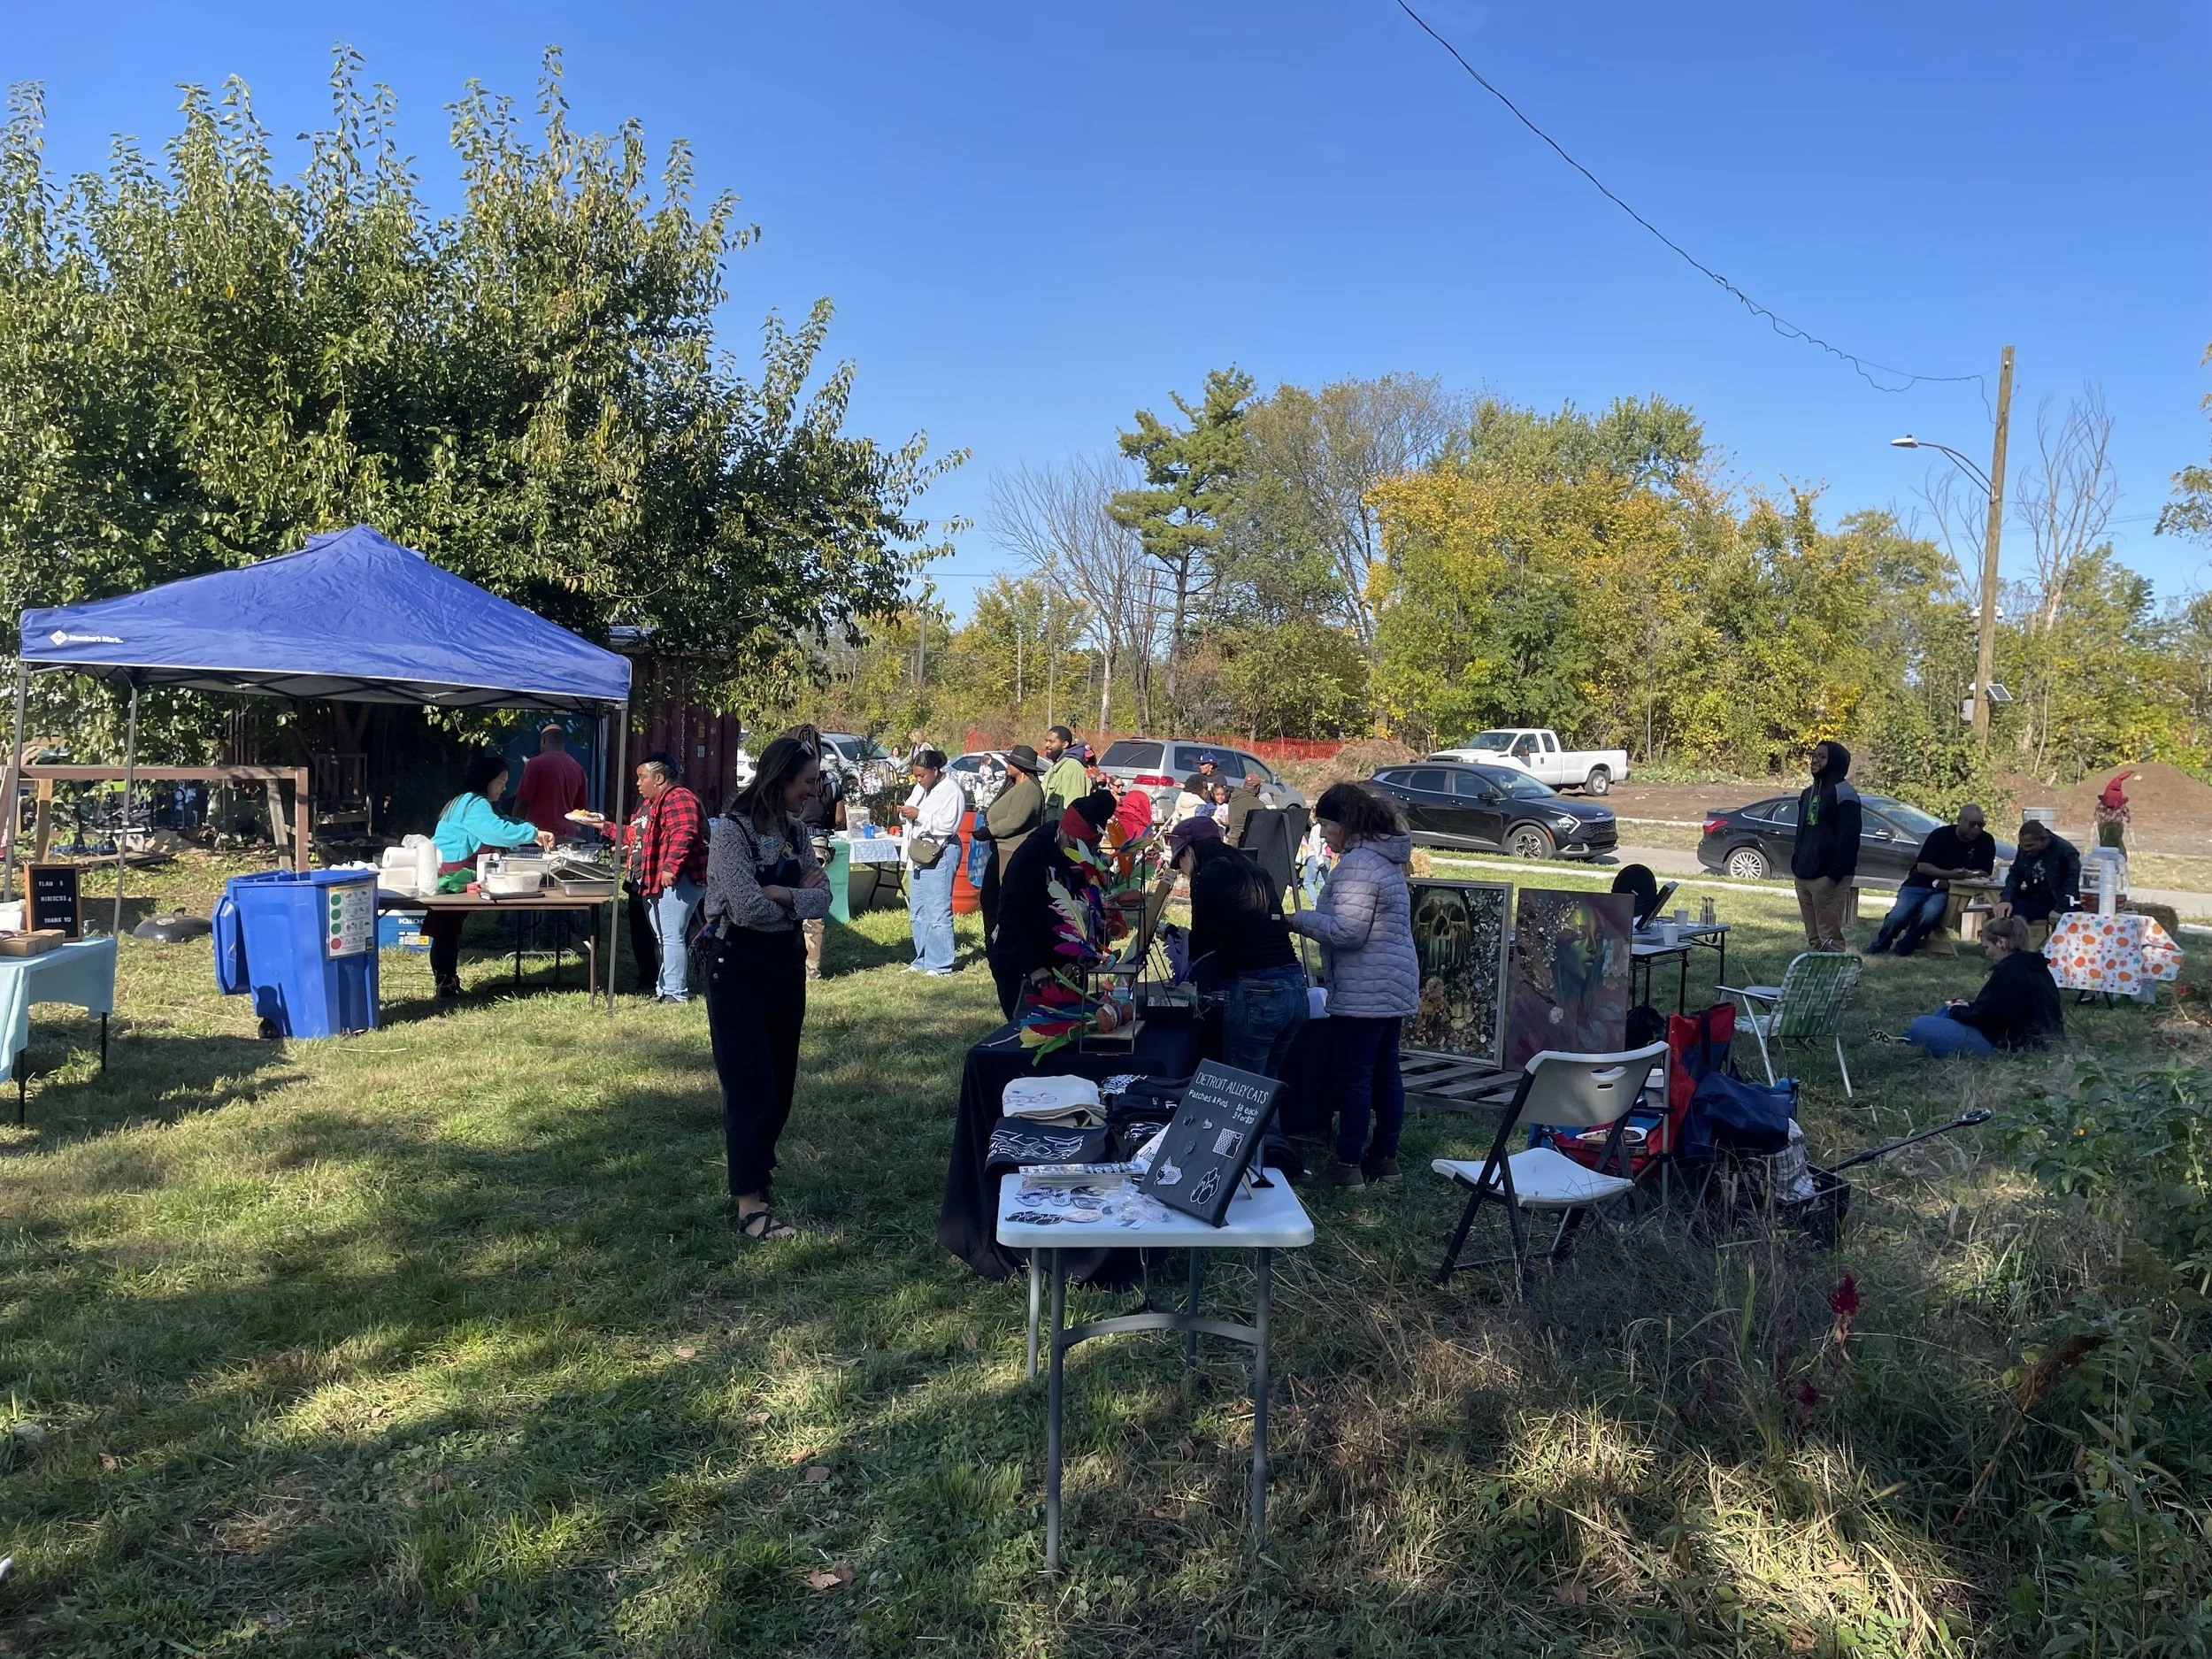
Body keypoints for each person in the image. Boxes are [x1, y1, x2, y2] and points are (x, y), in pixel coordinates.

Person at [701, 734, 833, 1240]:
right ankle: (749, 1203)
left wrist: (780, 894)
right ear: (779, 781)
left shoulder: (797, 834)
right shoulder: (731, 832)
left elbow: (823, 902)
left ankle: (759, 1168)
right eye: (806, 781)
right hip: (737, 969)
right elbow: (746, 907)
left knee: (780, 1087)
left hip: (783, 966)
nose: (813, 790)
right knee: (750, 1087)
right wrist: (788, 896)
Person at [1287, 782, 1418, 1189]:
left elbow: (1348, 932)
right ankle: (1384, 1159)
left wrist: (1299, 920)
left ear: (1345, 823)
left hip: (1366, 987)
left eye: (1327, 825)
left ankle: (1347, 1167)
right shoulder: (1385, 858)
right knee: (1385, 1073)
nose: (1324, 835)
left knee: (1356, 1077)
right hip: (1391, 983)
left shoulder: (1360, 864)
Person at [1168, 815, 1308, 1078]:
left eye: (1180, 863)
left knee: (1242, 1089)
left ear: (1190, 850)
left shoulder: (1207, 876)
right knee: (1266, 1089)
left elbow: (1203, 943)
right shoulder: (1253, 869)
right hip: (1294, 986)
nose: (1182, 871)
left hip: (1257, 991)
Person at [424, 752, 554, 999]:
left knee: (448, 929)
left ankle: (447, 981)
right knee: (446, 929)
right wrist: (531, 833)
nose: (503, 788)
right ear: (486, 780)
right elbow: (494, 831)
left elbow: (502, 820)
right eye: (501, 782)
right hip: (451, 870)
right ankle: (446, 983)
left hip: (451, 867)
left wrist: (532, 830)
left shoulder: (466, 801)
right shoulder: (474, 804)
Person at [988, 791, 1117, 1019]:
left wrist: (1080, 952)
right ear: (1064, 832)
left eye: (1086, 849)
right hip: (1021, 961)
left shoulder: (1082, 859)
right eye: (1076, 846)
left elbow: (1079, 908)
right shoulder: (1031, 854)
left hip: (1062, 961)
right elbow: (1010, 913)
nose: (1079, 854)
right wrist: (1033, 966)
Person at [1902, 915, 2062, 1057]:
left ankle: (1913, 1036)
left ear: (2001, 943)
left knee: (1921, 1024)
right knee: (1948, 1007)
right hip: (2032, 1035)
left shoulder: (2010, 970)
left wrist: (1961, 1010)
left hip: (2007, 1043)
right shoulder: (2035, 966)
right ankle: (1908, 1037)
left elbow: (1990, 1016)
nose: (1987, 953)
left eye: (1987, 947)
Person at [628, 754, 710, 1002]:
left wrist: (671, 867)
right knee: (665, 937)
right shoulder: (654, 803)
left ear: (660, 778)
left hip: (678, 880)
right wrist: (604, 826)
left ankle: (675, 993)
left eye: (642, 777)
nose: (638, 783)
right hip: (655, 878)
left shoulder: (678, 797)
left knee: (672, 936)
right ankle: (665, 990)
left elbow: (685, 830)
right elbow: (637, 837)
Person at [1864, 803, 1994, 957]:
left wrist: (1966, 875)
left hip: (1947, 890)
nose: (1977, 829)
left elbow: (1984, 871)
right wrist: (1948, 874)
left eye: (1981, 825)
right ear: (1960, 820)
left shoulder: (1986, 840)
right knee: (1899, 915)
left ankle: (1905, 947)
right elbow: (1922, 866)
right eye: (1972, 824)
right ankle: (1880, 945)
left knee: (1930, 914)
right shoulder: (1940, 835)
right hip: (1918, 884)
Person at [1790, 740, 1861, 951]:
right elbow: (1803, 833)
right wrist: (1797, 863)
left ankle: (1840, 979)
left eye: (1822, 757)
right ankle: (1817, 978)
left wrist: (1833, 876)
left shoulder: (1844, 793)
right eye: (1814, 756)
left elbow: (1849, 839)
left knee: (1829, 937)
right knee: (1814, 939)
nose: (1815, 760)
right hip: (1804, 874)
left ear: (1835, 761)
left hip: (1828, 877)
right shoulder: (1807, 793)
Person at [786, 723, 844, 982]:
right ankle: (813, 969)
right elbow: (839, 818)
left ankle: (789, 963)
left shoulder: (785, 775)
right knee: (813, 909)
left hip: (787, 842)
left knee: (786, 903)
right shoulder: (829, 779)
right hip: (818, 842)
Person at [899, 747, 965, 975]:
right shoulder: (920, 788)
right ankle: (922, 959)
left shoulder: (951, 791)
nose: (919, 779)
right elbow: (911, 809)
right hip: (919, 853)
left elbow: (949, 825)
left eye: (922, 775)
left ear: (935, 771)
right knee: (918, 910)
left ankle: (940, 964)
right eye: (916, 775)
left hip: (941, 853)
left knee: (937, 910)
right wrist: (905, 813)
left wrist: (919, 815)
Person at [980, 745, 1047, 941]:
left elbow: (1015, 820)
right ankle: (993, 938)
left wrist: (989, 831)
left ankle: (1010, 939)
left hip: (1013, 852)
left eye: (1012, 762)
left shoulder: (1029, 790)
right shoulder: (1014, 786)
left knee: (1008, 900)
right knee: (989, 897)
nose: (1008, 765)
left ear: (1023, 766)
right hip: (1000, 850)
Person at [1994, 819, 2080, 941]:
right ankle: (2009, 947)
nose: (2026, 850)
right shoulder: (2025, 848)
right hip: (2036, 896)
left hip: (2059, 898)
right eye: (2023, 847)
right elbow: (2015, 874)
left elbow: (2072, 884)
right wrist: (2006, 899)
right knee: (2007, 912)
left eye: (2030, 846)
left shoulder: (2066, 851)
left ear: (2044, 840)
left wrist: (2059, 909)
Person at [514, 723, 588, 836]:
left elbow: (522, 802)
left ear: (543, 741)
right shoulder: (577, 768)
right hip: (567, 835)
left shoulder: (535, 764)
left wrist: (515, 830)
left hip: (539, 835)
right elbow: (580, 812)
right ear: (563, 743)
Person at [1040, 725, 1088, 820]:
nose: (1047, 745)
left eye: (1051, 741)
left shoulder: (1072, 768)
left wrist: (1061, 834)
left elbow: (1072, 810)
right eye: (1046, 741)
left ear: (1064, 744)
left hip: (1059, 832)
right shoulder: (1056, 768)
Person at [1225, 771, 1274, 846]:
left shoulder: (1233, 796)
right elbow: (1266, 824)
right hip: (1245, 842)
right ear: (1257, 787)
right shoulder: (1257, 804)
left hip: (1231, 838)